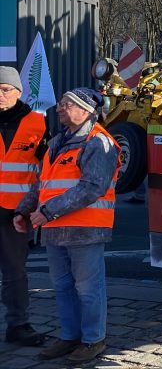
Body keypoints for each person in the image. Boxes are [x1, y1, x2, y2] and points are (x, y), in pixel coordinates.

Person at [14, 88, 120, 363]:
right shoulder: (58, 142)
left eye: (66, 104)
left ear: (85, 110)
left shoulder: (99, 142)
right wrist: (24, 210)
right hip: (54, 228)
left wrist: (47, 212)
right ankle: (70, 336)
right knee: (62, 287)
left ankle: (93, 340)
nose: (59, 108)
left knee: (87, 288)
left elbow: (92, 187)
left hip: (85, 229)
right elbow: (42, 183)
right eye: (60, 103)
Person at [0, 66, 48, 347]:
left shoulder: (37, 123)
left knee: (15, 271)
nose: (0, 95)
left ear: (18, 92)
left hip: (15, 213)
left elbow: (49, 168)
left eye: (5, 90)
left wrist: (38, 207)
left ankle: (18, 325)